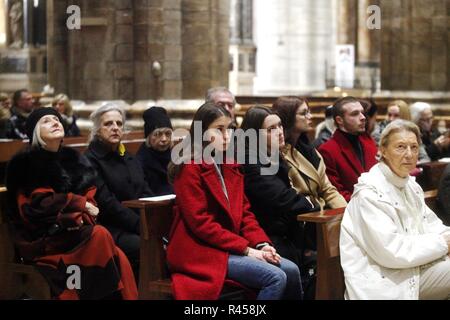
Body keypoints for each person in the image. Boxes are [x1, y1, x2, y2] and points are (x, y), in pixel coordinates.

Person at [167, 102, 303, 300]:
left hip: (229, 246)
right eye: (219, 130)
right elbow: (201, 223)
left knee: (292, 270)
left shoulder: (230, 163)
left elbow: (245, 213)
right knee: (275, 277)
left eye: (229, 129)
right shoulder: (190, 166)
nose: (226, 136)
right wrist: (246, 249)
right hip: (201, 251)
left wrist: (262, 244)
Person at [5, 107, 138, 299]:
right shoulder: (26, 163)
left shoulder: (73, 159)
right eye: (46, 121)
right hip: (44, 239)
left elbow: (90, 194)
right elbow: (35, 208)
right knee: (101, 236)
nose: (55, 122)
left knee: (116, 252)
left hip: (76, 233)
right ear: (35, 131)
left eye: (57, 119)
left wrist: (82, 211)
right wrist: (79, 206)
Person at [340, 119, 450, 300]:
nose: (409, 154)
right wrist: (443, 244)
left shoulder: (410, 186)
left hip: (415, 268)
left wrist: (447, 238)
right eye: (400, 147)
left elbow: (432, 226)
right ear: (382, 151)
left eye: (414, 147)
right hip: (386, 279)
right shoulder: (370, 193)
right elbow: (391, 251)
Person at [240, 105, 319, 299]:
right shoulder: (250, 160)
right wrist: (310, 204)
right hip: (265, 234)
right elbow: (282, 198)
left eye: (280, 126)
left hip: (283, 231)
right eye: (271, 129)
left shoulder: (272, 155)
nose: (280, 132)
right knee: (299, 266)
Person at [85, 104, 154, 275]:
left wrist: (153, 219)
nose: (115, 128)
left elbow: (145, 190)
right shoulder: (90, 160)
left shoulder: (129, 157)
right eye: (108, 124)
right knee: (145, 246)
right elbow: (108, 204)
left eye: (119, 123)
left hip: (138, 223)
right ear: (97, 130)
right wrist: (141, 225)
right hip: (110, 228)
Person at [273, 96, 347, 211]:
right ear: (288, 118)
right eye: (304, 113)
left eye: (309, 112)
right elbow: (291, 196)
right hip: (304, 215)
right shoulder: (278, 153)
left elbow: (328, 189)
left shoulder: (309, 149)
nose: (310, 116)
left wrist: (346, 213)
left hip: (321, 212)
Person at [318, 96, 378, 201]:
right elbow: (335, 192)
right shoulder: (327, 150)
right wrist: (367, 202)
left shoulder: (368, 141)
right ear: (339, 120)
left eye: (362, 112)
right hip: (351, 209)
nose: (363, 117)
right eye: (355, 114)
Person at [136, 107, 174, 195]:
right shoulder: (141, 161)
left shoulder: (175, 156)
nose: (164, 139)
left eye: (168, 134)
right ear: (148, 137)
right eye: (158, 134)